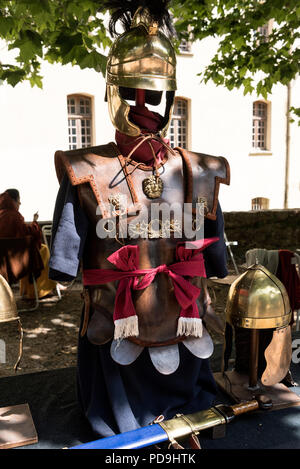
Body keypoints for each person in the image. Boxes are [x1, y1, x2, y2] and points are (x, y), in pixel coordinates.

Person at [49, 2, 230, 445]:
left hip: (186, 336)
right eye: (133, 93)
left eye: (154, 94)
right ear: (115, 92)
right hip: (115, 346)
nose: (144, 105)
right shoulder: (86, 170)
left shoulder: (199, 172)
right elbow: (65, 263)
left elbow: (216, 261)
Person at [0, 188, 57, 299]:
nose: (20, 204)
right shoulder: (15, 217)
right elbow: (30, 234)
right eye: (18, 201)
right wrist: (35, 222)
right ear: (13, 201)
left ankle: (26, 291)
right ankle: (40, 291)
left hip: (3, 264)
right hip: (17, 262)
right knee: (43, 250)